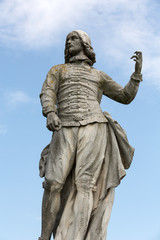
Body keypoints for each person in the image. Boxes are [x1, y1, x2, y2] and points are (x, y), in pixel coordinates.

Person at [38, 30, 142, 240]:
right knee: (53, 182)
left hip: (94, 126)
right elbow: (47, 92)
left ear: (85, 43)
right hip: (64, 126)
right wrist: (50, 112)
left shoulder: (99, 76)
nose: (68, 42)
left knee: (85, 185)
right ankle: (43, 236)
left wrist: (136, 74)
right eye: (67, 39)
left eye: (73, 38)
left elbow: (124, 96)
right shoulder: (57, 70)